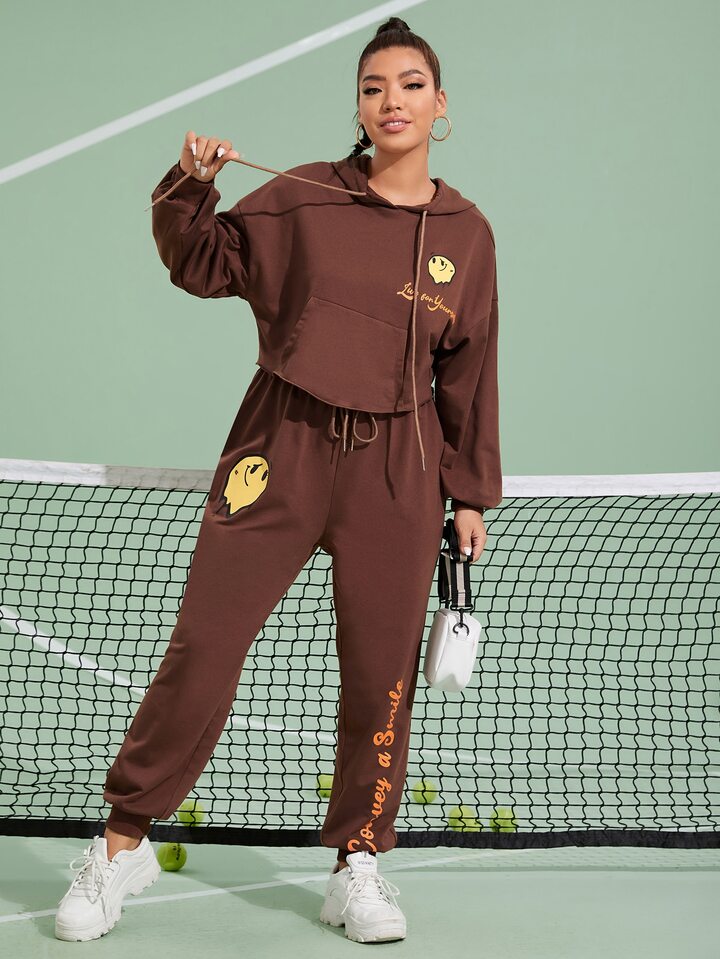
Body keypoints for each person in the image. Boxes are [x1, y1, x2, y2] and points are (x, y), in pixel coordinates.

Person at [54, 15, 502, 945]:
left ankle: (357, 863)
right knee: (205, 645)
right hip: (280, 443)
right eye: (374, 87)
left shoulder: (468, 234)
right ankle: (122, 843)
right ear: (359, 106)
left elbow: (468, 368)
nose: (392, 101)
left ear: (441, 105)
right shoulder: (300, 195)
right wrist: (192, 184)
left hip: (401, 468)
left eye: (411, 84)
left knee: (381, 674)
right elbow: (200, 261)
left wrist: (469, 494)